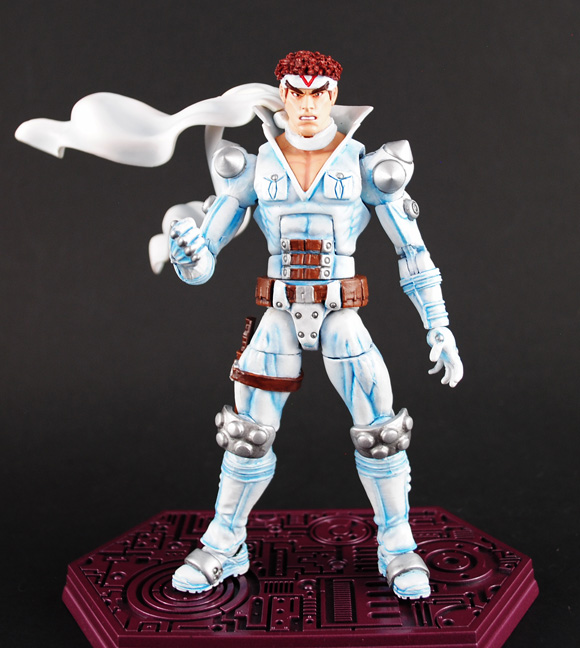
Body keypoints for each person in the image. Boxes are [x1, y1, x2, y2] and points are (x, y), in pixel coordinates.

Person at [167, 50, 463, 600]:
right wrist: (188, 254)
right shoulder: (253, 167)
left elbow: (413, 252)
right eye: (296, 92)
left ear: (333, 95)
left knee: (380, 432)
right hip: (279, 314)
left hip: (340, 314)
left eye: (318, 92)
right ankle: (225, 543)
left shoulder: (367, 167)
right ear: (282, 95)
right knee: (248, 435)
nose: (306, 104)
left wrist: (438, 326)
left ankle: (398, 546)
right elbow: (205, 261)